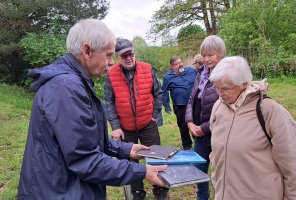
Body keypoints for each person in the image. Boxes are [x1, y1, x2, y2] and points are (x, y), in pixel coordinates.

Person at [17, 19, 167, 200]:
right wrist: (141, 171)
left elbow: (86, 138)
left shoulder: (75, 82)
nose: (112, 62)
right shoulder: (66, 89)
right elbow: (85, 159)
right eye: (108, 55)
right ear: (87, 50)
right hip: (59, 191)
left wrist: (125, 150)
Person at [209, 56, 296, 200]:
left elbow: (293, 165)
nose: (219, 94)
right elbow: (216, 153)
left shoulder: (269, 110)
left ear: (244, 84)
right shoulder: (218, 108)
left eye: (225, 89)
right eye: (216, 88)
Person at [104, 39, 168, 200]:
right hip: (125, 127)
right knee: (130, 161)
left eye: (130, 54)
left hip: (147, 123)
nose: (128, 58)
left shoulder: (147, 68)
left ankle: (160, 189)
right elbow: (109, 101)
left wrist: (155, 114)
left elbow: (158, 93)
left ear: (134, 53)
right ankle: (137, 192)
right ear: (118, 57)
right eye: (124, 55)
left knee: (155, 156)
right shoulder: (111, 74)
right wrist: (115, 126)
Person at [185, 35, 226, 200]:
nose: (207, 59)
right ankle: (202, 197)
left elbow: (225, 110)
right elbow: (191, 100)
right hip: (199, 135)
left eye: (211, 55)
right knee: (199, 169)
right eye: (204, 55)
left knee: (222, 172)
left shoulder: (226, 74)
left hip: (219, 133)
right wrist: (189, 122)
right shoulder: (201, 73)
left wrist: (204, 128)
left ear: (220, 54)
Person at [161, 56, 197, 150]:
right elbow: (163, 92)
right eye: (177, 64)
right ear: (172, 66)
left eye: (181, 62)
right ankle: (187, 146)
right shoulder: (167, 77)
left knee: (196, 122)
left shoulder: (192, 71)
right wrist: (167, 106)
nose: (180, 64)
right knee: (183, 126)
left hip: (195, 102)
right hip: (180, 105)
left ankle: (198, 143)